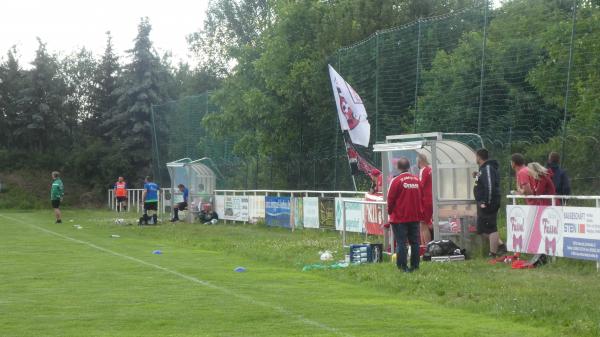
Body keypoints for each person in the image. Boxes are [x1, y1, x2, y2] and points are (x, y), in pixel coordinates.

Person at [387, 157, 423, 272]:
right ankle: (415, 266)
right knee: (415, 243)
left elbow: (390, 199)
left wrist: (390, 212)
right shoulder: (417, 180)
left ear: (398, 167)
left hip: (399, 218)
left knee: (401, 243)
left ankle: (403, 267)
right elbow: (421, 198)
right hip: (414, 216)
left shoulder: (396, 180)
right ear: (408, 167)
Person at [473, 149, 505, 257]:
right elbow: (482, 181)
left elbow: (489, 186)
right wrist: (477, 175)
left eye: (476, 156)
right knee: (481, 229)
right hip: (482, 202)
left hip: (489, 203)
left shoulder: (487, 168)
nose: (475, 158)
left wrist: (487, 202)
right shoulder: (483, 169)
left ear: (479, 157)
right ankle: (500, 245)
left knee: (491, 227)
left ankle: (493, 253)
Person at [417, 153, 433, 245]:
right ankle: (424, 246)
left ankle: (426, 247)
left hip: (425, 201)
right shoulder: (430, 169)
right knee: (425, 224)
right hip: (429, 200)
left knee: (423, 225)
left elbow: (421, 185)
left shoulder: (424, 170)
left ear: (420, 161)